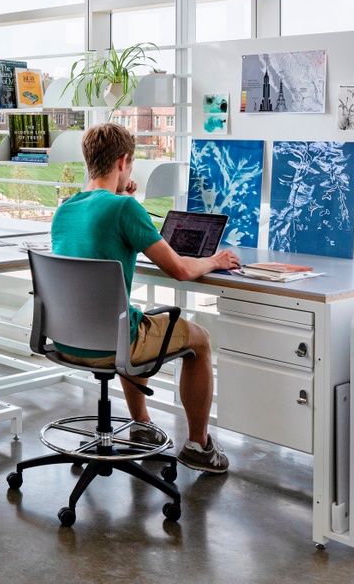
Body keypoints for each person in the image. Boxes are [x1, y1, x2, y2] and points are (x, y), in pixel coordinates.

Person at [49, 123, 240, 473]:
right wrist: (214, 260)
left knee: (129, 317)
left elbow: (101, 221)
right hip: (111, 342)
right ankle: (199, 446)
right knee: (199, 339)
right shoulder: (125, 210)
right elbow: (180, 269)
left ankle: (141, 425)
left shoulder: (66, 209)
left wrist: (123, 197)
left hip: (67, 339)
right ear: (123, 161)